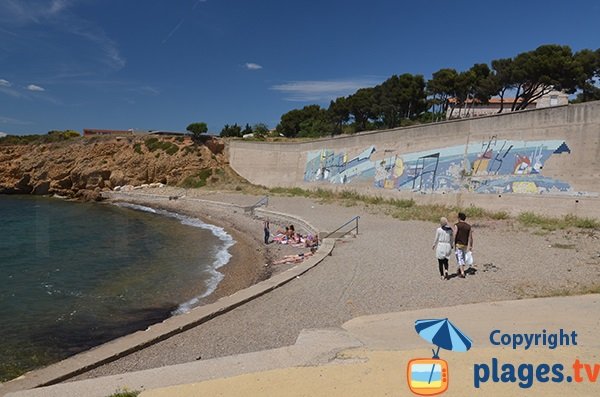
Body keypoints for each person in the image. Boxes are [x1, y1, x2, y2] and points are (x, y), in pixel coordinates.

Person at [453, 212, 473, 278]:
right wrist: (471, 245)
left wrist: (452, 243)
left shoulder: (457, 225)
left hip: (458, 244)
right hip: (465, 244)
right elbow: (470, 237)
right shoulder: (468, 226)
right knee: (463, 257)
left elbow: (454, 235)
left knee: (459, 258)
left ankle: (462, 272)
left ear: (459, 218)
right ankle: (460, 269)